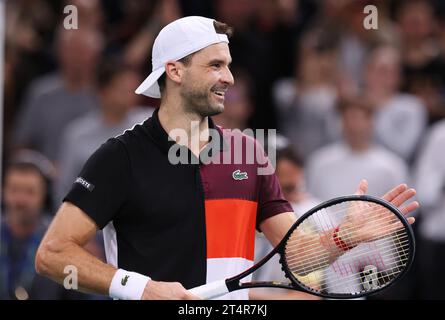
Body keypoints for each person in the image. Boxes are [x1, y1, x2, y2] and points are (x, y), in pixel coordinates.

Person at [35, 16, 418, 300]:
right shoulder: (119, 157)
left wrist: (343, 237)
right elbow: (53, 255)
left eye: (229, 65)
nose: (229, 78)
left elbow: (298, 257)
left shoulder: (249, 153)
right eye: (215, 65)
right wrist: (140, 288)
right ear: (175, 71)